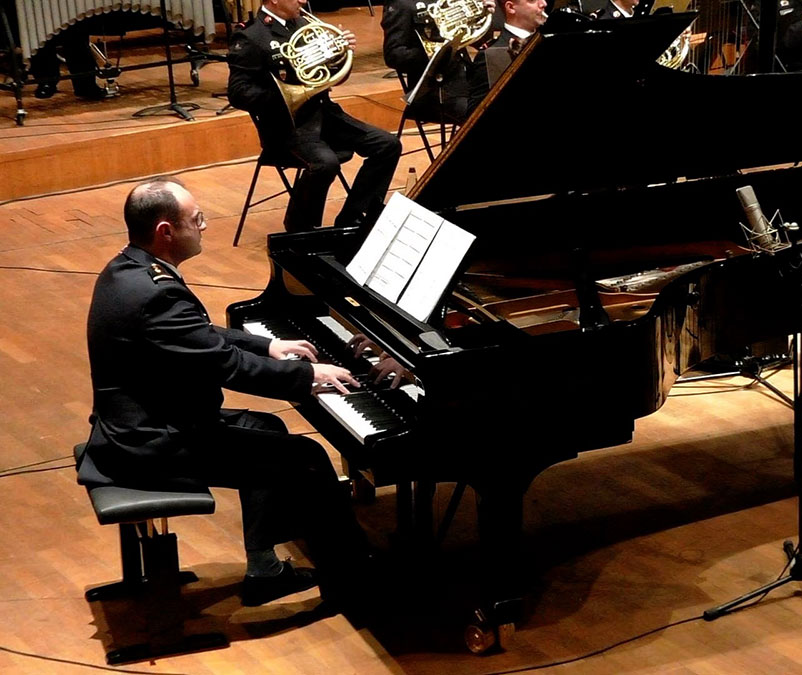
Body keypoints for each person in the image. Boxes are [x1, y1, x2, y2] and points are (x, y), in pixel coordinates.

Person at [79, 178, 373, 610]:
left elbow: (196, 336)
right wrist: (305, 375)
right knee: (304, 460)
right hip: (151, 442)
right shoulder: (156, 295)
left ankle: (264, 568)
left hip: (146, 420)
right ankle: (355, 586)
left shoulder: (128, 269)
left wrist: (268, 345)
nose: (204, 226)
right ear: (166, 231)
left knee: (267, 428)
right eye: (196, 220)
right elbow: (225, 365)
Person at [227, 0, 401, 233]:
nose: (303, 0)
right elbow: (238, 93)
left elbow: (333, 76)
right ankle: (300, 228)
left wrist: (343, 53)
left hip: (324, 115)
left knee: (387, 144)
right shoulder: (251, 36)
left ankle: (354, 218)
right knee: (325, 163)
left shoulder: (305, 24)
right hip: (285, 125)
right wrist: (285, 94)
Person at [381, 0, 496, 125]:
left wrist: (484, 13)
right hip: (433, 94)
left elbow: (480, 41)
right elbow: (393, 55)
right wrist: (432, 52)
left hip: (468, 82)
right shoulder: (401, 4)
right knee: (479, 113)